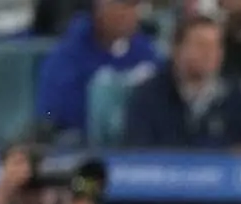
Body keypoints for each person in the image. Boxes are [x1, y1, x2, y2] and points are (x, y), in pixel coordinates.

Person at [123, 14, 241, 150]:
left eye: (216, 46)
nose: (209, 53)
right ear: (177, 49)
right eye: (201, 45)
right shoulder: (148, 97)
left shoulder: (239, 100)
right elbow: (138, 151)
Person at [34, 0, 161, 143]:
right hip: (83, 147)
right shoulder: (67, 55)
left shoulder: (146, 52)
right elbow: (52, 112)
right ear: (99, 8)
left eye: (132, 7)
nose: (128, 14)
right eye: (121, 6)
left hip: (141, 148)